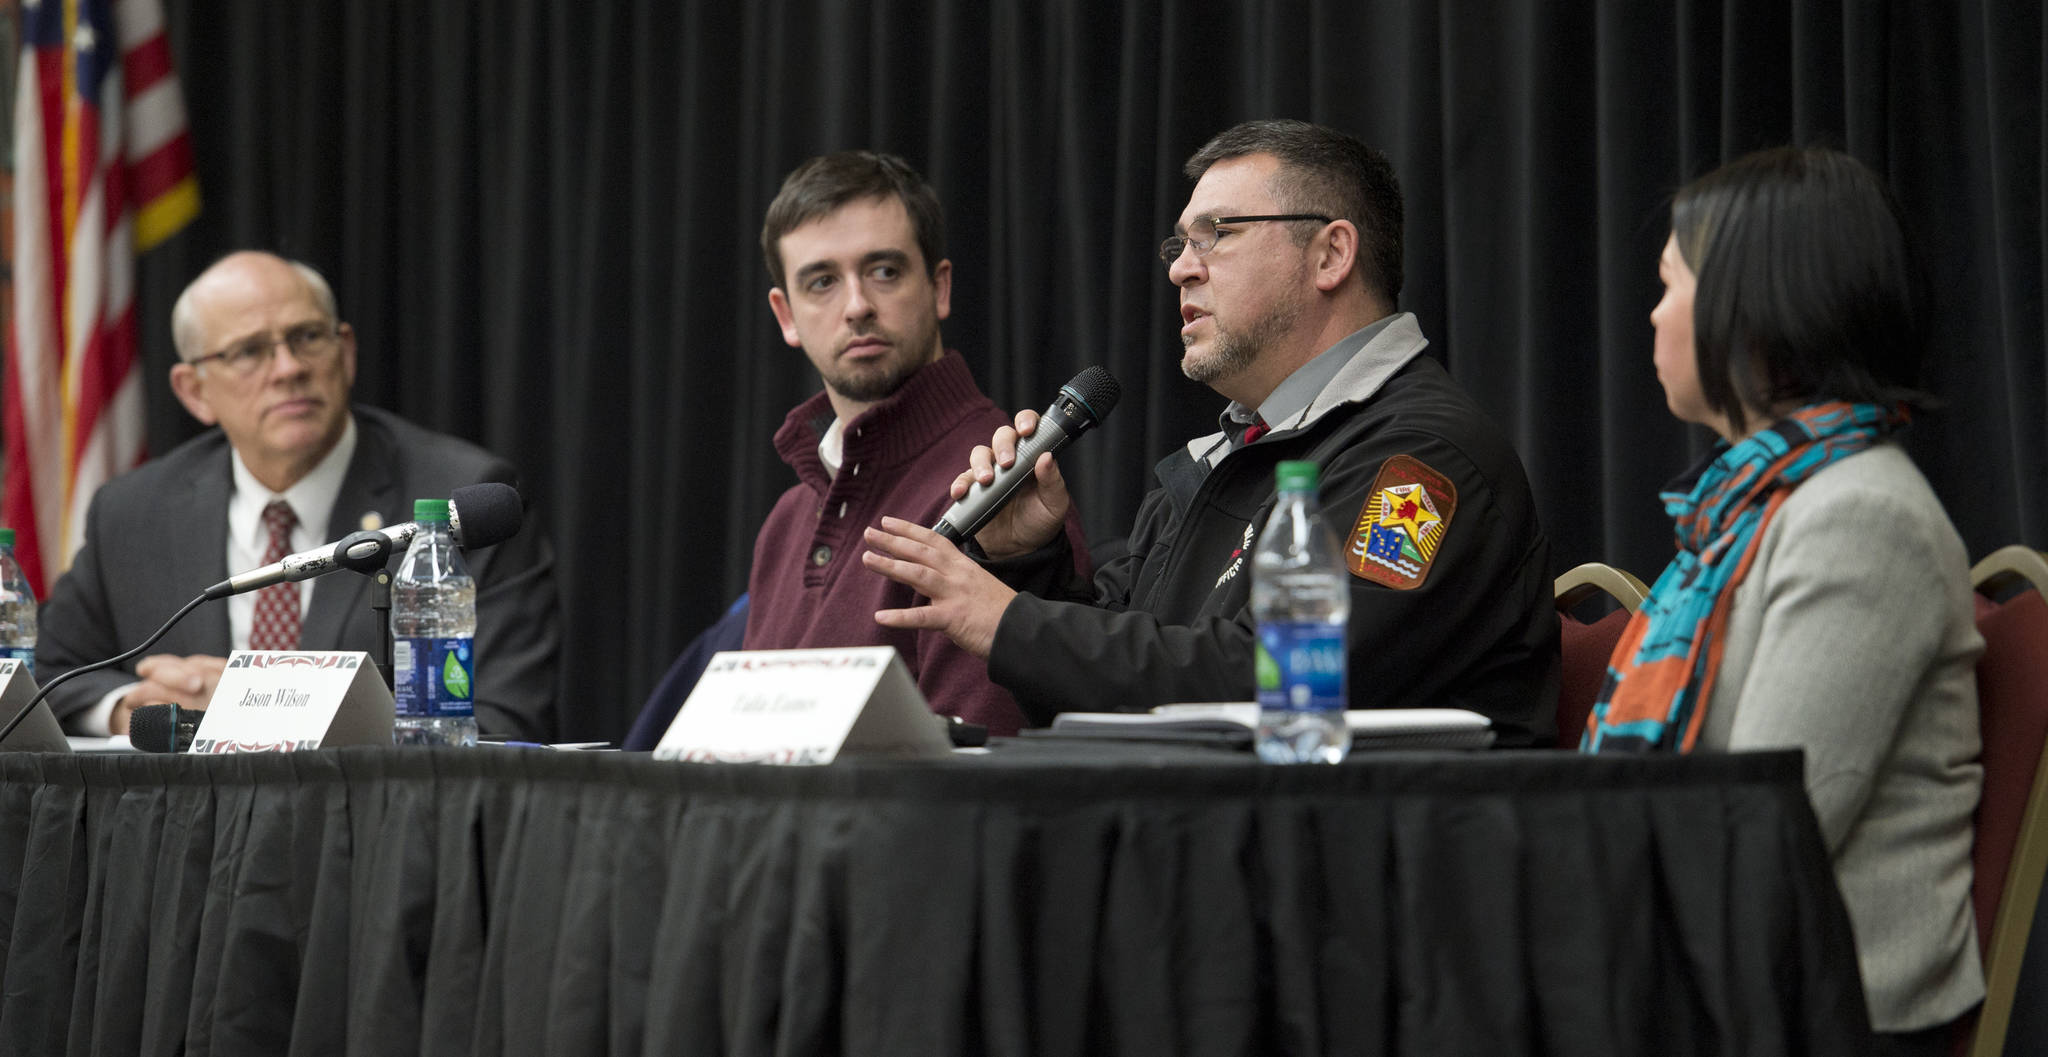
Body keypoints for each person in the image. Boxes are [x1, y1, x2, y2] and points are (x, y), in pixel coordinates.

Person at [860, 119, 1558, 745]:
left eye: (1215, 236)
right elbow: (1124, 688)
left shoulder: (1423, 464)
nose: (1179, 267)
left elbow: (1275, 685)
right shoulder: (1225, 459)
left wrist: (1011, 621)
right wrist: (1028, 562)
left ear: (1330, 255)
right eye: (1181, 242)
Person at [1583, 147, 1982, 1049]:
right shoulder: (1751, 510)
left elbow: (1767, 825)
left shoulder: (1861, 516)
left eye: (1669, 284)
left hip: (1822, 1012)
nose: (1649, 314)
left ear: (1754, 309)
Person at [36, 251, 562, 740]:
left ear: (346, 353)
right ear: (195, 391)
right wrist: (132, 706)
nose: (288, 368)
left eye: (307, 337)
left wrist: (255, 707)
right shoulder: (133, 510)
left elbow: (507, 714)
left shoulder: (462, 501)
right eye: (248, 351)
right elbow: (44, 674)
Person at [737, 150, 1087, 738]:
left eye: (885, 271)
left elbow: (981, 775)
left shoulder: (998, 482)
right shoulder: (785, 521)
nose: (857, 306)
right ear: (786, 315)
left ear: (940, 286)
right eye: (821, 281)